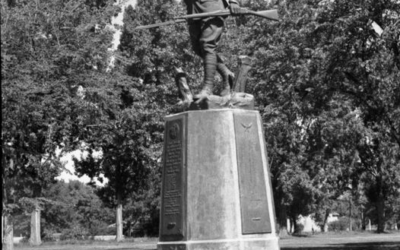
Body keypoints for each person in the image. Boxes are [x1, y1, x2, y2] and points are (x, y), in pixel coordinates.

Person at [183, 0, 241, 99]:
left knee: (207, 45)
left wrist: (233, 1)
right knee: (197, 48)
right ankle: (226, 73)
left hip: (211, 6)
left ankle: (208, 88)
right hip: (193, 9)